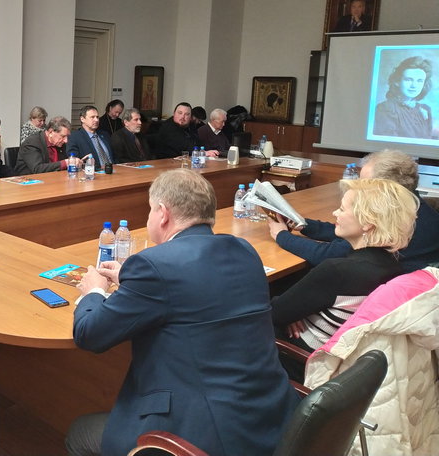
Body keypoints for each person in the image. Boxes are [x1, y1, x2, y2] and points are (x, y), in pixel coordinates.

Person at [66, 169, 300, 456]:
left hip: (200, 435)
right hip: (268, 417)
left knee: (79, 433)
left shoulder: (153, 265)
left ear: (163, 214)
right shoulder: (243, 250)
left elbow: (89, 335)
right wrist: (131, 277)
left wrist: (94, 291)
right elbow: (194, 284)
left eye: (150, 210)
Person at [271, 178, 417, 361]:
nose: (335, 213)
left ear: (367, 223)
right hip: (342, 358)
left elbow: (274, 314)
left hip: (302, 358)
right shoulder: (394, 266)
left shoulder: (337, 271)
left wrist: (290, 310)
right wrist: (295, 309)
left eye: (341, 209)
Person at [269, 149, 439, 272]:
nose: (358, 188)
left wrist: (282, 236)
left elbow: (329, 254)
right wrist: (304, 225)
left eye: (364, 184)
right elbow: (352, 232)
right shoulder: (416, 208)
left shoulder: (397, 222)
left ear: (385, 188)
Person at [373, 56, 434, 139]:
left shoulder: (425, 110)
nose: (414, 85)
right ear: (397, 82)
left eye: (420, 81)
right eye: (408, 80)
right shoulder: (385, 108)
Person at [14, 116, 81, 175]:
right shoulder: (32, 143)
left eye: (67, 137)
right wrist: (65, 163)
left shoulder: (60, 144)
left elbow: (61, 166)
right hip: (30, 181)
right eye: (63, 136)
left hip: (54, 179)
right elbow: (37, 169)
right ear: (51, 132)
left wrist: (73, 163)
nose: (66, 140)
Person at [67, 106, 113, 171]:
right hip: (92, 173)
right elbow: (74, 161)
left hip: (113, 171)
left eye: (97, 117)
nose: (96, 120)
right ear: (82, 119)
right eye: (92, 117)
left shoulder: (105, 135)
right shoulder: (74, 137)